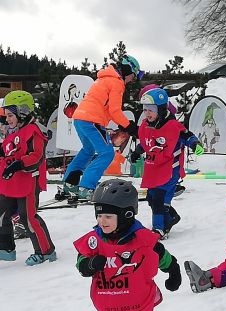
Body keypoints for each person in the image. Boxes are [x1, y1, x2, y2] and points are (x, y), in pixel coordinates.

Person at [74, 179, 183, 311]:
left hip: (136, 306)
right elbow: (81, 263)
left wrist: (173, 271)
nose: (102, 221)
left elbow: (162, 256)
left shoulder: (143, 240)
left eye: (108, 216)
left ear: (126, 215)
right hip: (111, 308)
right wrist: (90, 265)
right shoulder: (95, 239)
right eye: (99, 215)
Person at [62, 55, 144, 199]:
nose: (132, 79)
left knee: (88, 150)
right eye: (133, 75)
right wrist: (131, 127)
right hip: (92, 121)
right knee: (107, 153)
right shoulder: (117, 83)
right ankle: (86, 187)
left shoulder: (104, 78)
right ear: (128, 70)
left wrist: (125, 125)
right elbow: (115, 111)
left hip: (79, 118)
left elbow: (109, 110)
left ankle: (70, 183)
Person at [130, 88, 204, 239]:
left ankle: (159, 229)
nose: (147, 113)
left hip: (170, 170)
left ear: (162, 109)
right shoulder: (146, 125)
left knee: (158, 198)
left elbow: (187, 136)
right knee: (151, 198)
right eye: (145, 110)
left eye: (151, 109)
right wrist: (137, 152)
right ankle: (170, 218)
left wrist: (195, 145)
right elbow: (147, 142)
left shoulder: (172, 126)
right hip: (153, 168)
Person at [0, 90, 56, 265]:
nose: (7, 120)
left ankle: (45, 251)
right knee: (2, 214)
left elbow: (36, 156)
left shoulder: (33, 131)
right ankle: (5, 249)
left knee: (28, 217)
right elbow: (6, 151)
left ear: (22, 111)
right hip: (10, 182)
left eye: (10, 115)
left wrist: (18, 164)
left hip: (28, 181)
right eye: (6, 116)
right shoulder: (13, 132)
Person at [138, 84, 186, 197]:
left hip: (166, 122)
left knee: (168, 149)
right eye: (145, 108)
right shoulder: (148, 115)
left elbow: (172, 110)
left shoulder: (158, 98)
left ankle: (173, 182)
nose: (146, 111)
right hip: (157, 123)